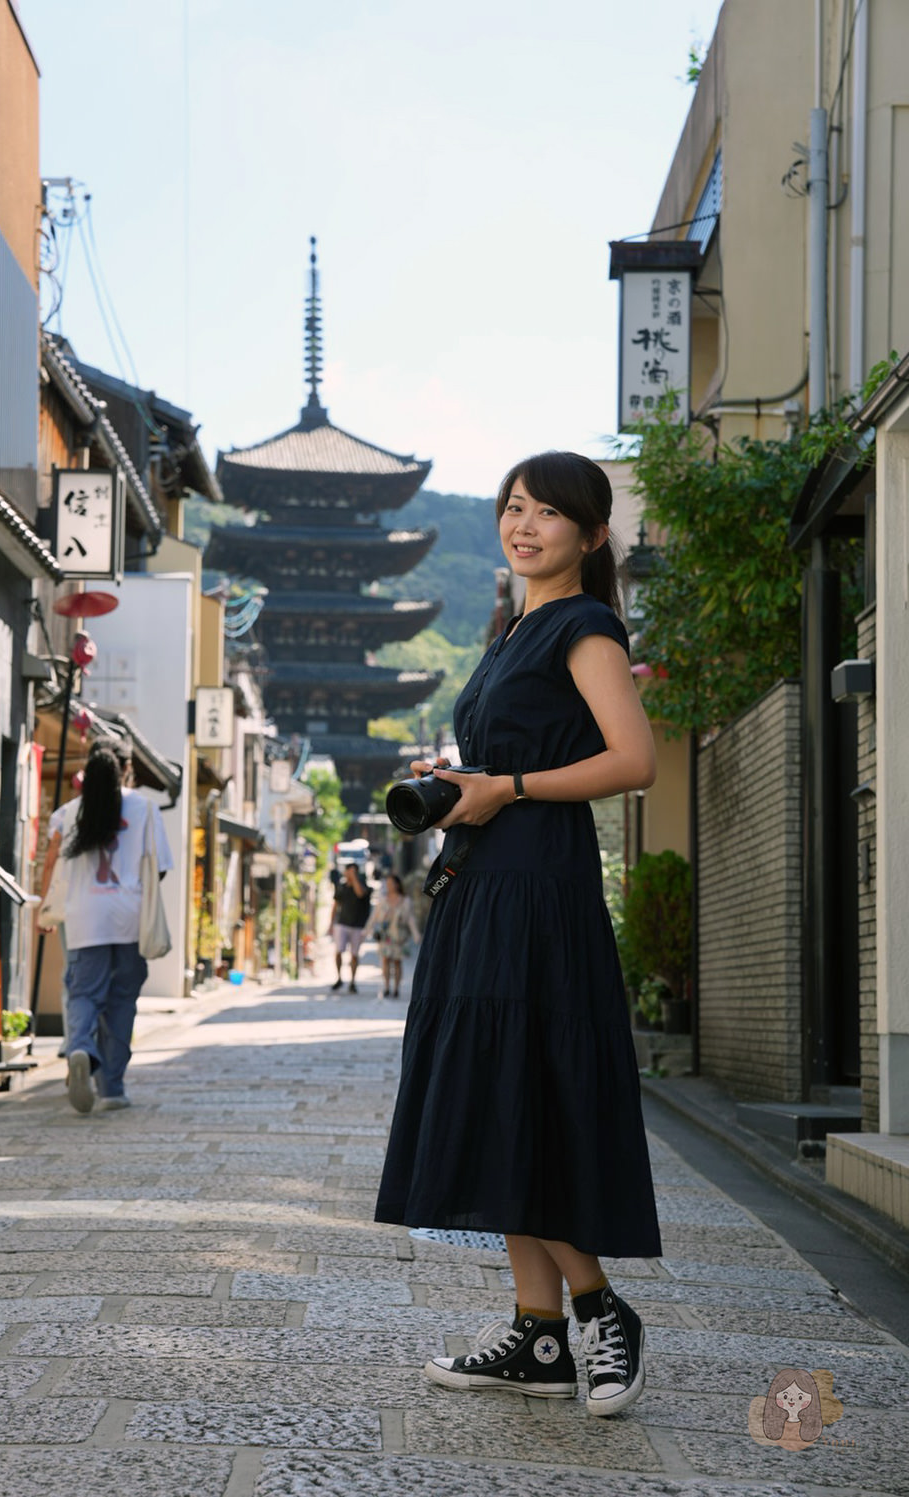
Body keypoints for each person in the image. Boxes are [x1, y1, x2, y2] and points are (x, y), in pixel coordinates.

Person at [375, 451, 661, 1417]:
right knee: (499, 1087)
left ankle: (600, 1308)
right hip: (484, 884)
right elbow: (508, 765)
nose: (523, 523)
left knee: (530, 1083)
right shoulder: (511, 631)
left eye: (547, 511)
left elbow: (635, 759)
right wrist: (467, 781)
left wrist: (512, 786)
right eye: (512, 507)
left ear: (590, 534)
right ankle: (540, 1336)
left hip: (539, 890)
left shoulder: (583, 627)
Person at [38, 741, 173, 1115]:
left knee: (84, 993)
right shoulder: (145, 807)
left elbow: (54, 865)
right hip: (129, 918)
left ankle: (80, 1047)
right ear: (126, 768)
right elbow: (159, 866)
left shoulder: (68, 813)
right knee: (122, 1000)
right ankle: (112, 1087)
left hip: (84, 918)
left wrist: (44, 912)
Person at [365, 873, 420, 998]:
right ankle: (386, 986)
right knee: (385, 960)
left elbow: (411, 918)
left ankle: (396, 988)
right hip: (386, 935)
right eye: (387, 883)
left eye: (391, 883)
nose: (389, 886)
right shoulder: (383, 900)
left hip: (399, 936)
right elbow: (374, 916)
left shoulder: (405, 901)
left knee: (397, 961)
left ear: (397, 884)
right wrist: (367, 929)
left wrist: (416, 934)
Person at [329, 863, 371, 994]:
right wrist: (331, 923)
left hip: (357, 925)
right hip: (342, 923)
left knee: (354, 954)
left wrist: (355, 880)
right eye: (349, 871)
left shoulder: (363, 886)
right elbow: (336, 905)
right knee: (338, 951)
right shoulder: (341, 887)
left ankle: (353, 981)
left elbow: (360, 894)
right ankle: (339, 977)